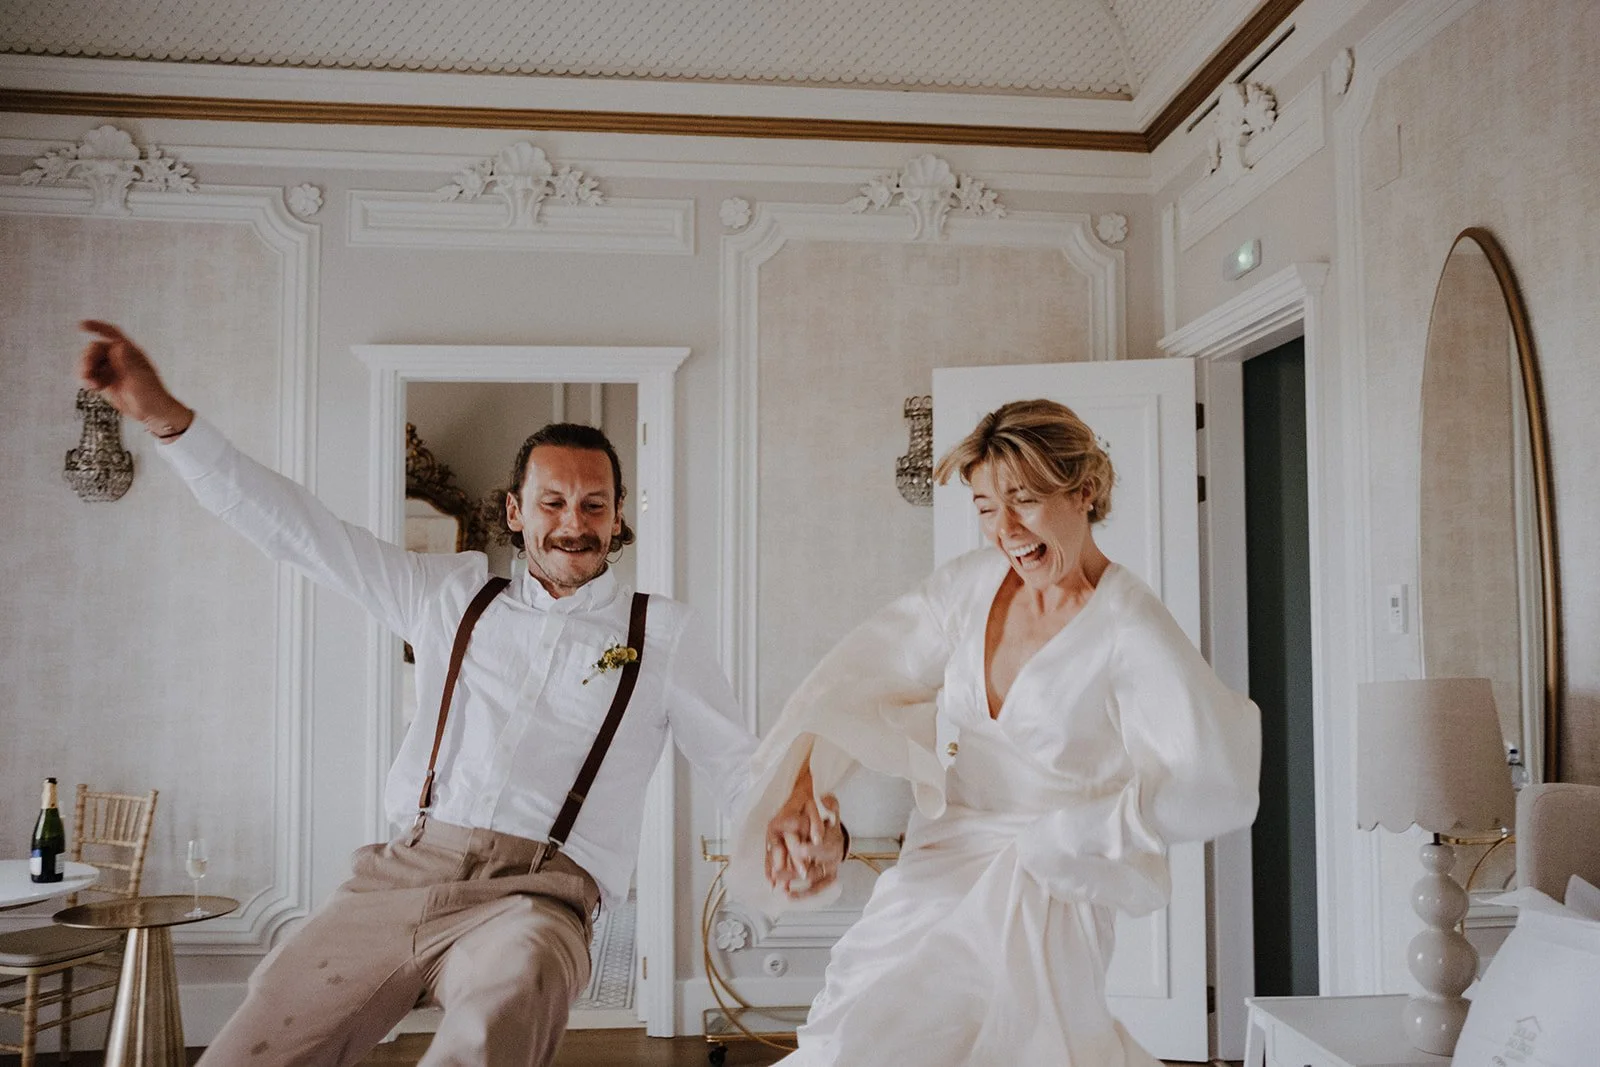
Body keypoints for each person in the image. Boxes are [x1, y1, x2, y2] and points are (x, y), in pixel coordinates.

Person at [74, 320, 846, 1067]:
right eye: (552, 502)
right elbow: (298, 532)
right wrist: (167, 421)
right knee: (264, 1025)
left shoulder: (665, 633)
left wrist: (815, 833)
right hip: (401, 872)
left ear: (617, 521)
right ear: (515, 510)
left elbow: (747, 770)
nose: (573, 524)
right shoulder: (448, 595)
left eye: (593, 505)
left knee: (512, 992)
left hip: (537, 898)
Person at [734, 398, 1262, 1066]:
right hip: (936, 860)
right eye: (985, 506)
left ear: (1085, 491)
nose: (1005, 529)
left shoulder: (1131, 625)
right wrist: (805, 789)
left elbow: (1216, 781)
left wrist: (1079, 831)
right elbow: (858, 678)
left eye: (1025, 499)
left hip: (1048, 884)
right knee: (860, 1030)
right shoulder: (970, 586)